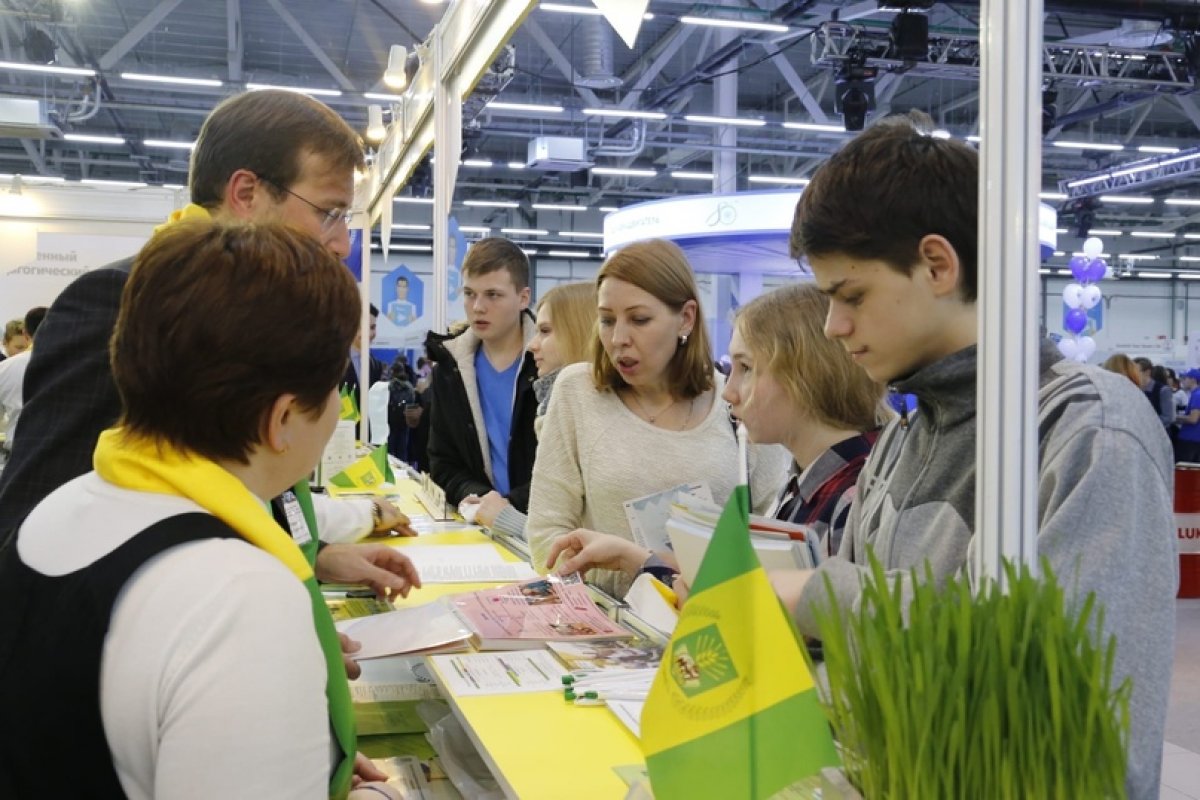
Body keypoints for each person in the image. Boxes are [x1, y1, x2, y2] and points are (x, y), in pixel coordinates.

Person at [773, 111, 1173, 800]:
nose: (834, 326)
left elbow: (1053, 695)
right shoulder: (902, 436)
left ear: (937, 264)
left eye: (852, 296)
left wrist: (816, 597)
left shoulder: (1087, 428)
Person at [0, 90, 418, 675]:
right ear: (246, 194)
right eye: (328, 211)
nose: (340, 241)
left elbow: (225, 484)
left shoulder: (251, 315)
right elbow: (42, 536)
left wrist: (314, 557)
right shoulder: (122, 303)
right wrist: (226, 658)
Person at [0, 223, 410, 799]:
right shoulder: (238, 595)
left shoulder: (56, 514)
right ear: (282, 419)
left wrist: (292, 756)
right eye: (330, 394)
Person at [545, 283, 886, 580]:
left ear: (807, 374)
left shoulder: (854, 498)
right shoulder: (807, 485)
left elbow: (774, 614)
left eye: (746, 368)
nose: (729, 392)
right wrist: (633, 558)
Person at [526, 239, 787, 598]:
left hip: (709, 619)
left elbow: (773, 542)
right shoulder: (577, 392)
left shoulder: (737, 402)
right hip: (605, 622)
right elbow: (546, 533)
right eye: (607, 320)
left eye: (639, 320)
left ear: (686, 318)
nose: (618, 339)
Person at [471, 281, 599, 538]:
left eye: (545, 331)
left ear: (579, 332)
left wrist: (504, 517)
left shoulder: (591, 419)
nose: (532, 345)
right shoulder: (555, 405)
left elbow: (574, 534)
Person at [425, 237, 539, 512]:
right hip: (479, 521)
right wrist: (482, 500)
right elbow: (443, 463)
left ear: (523, 298)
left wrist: (508, 506)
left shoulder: (551, 366)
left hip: (546, 523)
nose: (478, 307)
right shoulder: (449, 370)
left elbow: (567, 468)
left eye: (493, 295)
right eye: (469, 294)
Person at [0, 307, 46, 451]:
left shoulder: (4, 368)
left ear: (26, 334)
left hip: (17, 449)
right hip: (65, 453)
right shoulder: (78, 365)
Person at [1135, 356, 1175, 430]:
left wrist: (1144, 423)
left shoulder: (1163, 390)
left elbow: (1168, 417)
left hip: (1158, 433)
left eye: (1136, 371)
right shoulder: (1135, 389)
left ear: (1147, 372)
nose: (1133, 374)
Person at [1176, 368, 1200, 463]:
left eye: (1185, 378)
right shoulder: (1195, 394)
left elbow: (1193, 419)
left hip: (1190, 440)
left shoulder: (1197, 395)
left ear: (1193, 379)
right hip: (1193, 439)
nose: (1183, 381)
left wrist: (1175, 417)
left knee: (1185, 468)